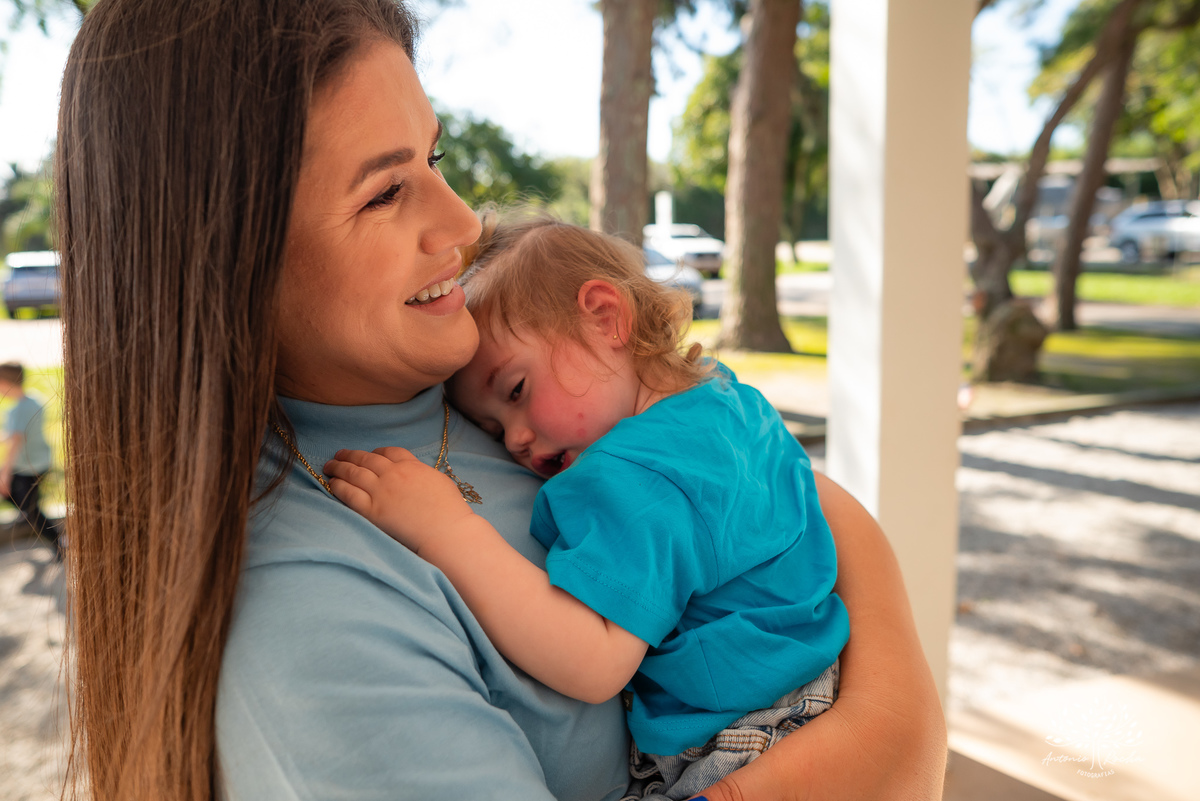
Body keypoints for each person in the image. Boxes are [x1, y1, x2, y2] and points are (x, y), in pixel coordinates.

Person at [55, 1, 947, 800]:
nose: (463, 223)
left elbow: (797, 512)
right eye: (387, 190)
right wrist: (888, 721)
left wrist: (894, 723)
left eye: (433, 157)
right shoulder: (311, 624)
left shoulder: (475, 385)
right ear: (231, 261)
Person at [325, 213, 848, 800]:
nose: (516, 440)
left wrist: (445, 530)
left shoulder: (632, 475)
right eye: (493, 429)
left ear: (605, 317)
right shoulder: (728, 400)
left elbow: (594, 661)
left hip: (736, 741)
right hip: (818, 690)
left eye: (517, 390)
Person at [0, 361, 61, 560]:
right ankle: (28, 517)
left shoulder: (17, 410)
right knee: (29, 506)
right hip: (40, 461)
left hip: (27, 465)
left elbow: (17, 442)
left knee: (31, 510)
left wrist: (5, 474)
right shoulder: (34, 400)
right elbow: (22, 434)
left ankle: (58, 543)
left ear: (5, 382)